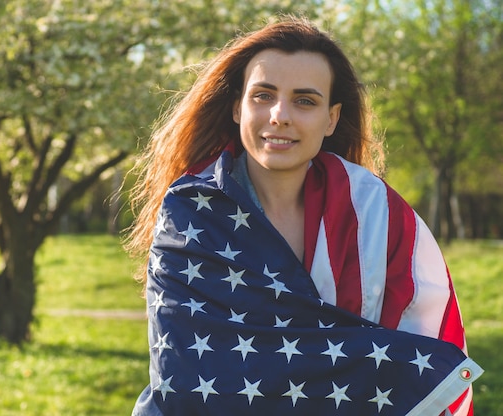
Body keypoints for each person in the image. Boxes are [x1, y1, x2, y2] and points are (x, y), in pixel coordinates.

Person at [124, 15, 482, 415]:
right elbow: (191, 370)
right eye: (262, 95)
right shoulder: (191, 212)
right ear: (237, 108)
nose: (280, 115)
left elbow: (425, 343)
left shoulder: (376, 216)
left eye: (305, 101)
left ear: (331, 117)